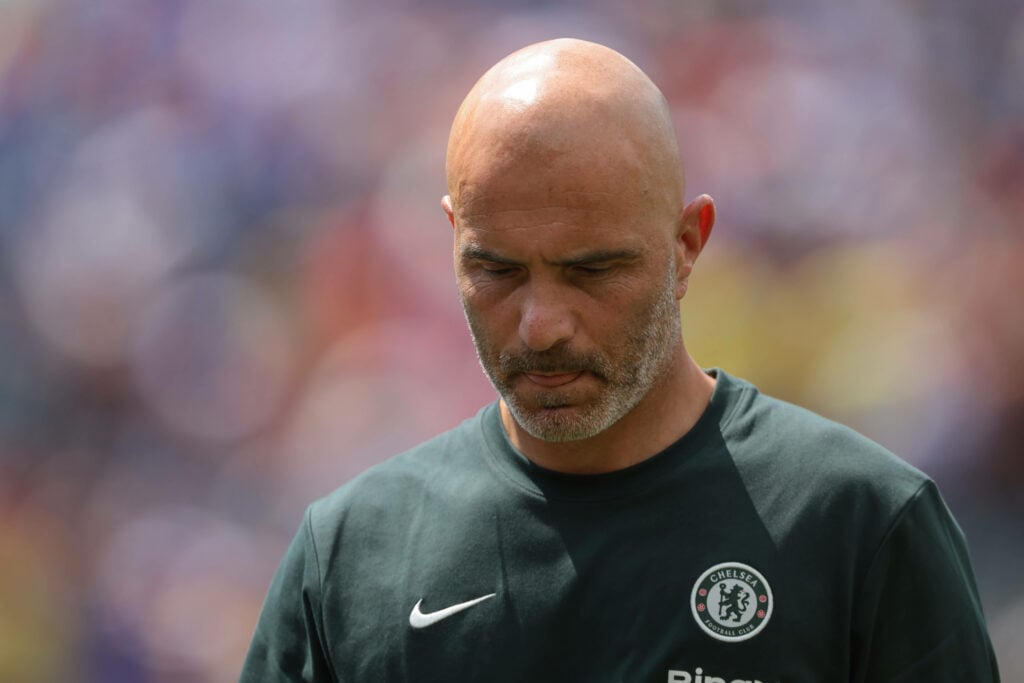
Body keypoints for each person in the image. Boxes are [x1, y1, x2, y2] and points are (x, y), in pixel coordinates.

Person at [240, 38, 1000, 682]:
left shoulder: (861, 525)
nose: (541, 325)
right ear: (452, 238)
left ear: (687, 246)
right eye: (496, 269)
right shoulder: (351, 556)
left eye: (592, 269)